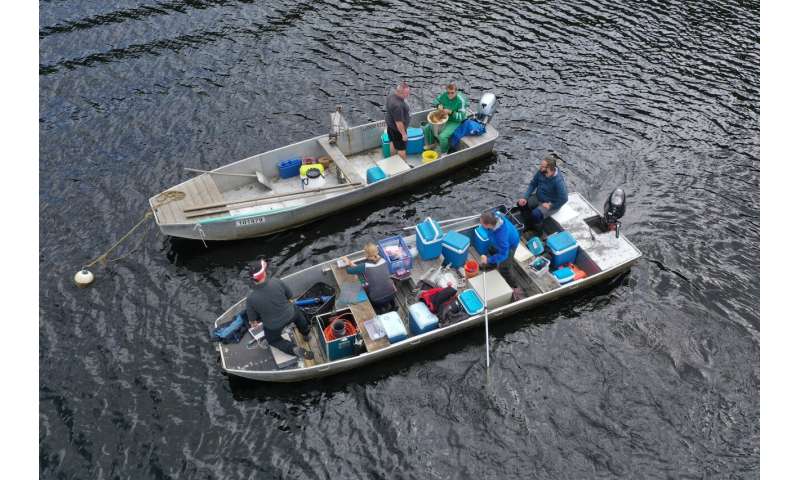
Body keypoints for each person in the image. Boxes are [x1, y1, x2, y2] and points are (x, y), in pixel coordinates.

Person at [245, 257, 314, 359]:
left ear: (253, 279)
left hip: (273, 326)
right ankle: (306, 334)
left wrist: (255, 322)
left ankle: (293, 349)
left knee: (273, 340)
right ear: (264, 273)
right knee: (298, 314)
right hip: (291, 314)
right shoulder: (276, 281)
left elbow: (253, 321)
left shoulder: (250, 298)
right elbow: (290, 296)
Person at [340, 243, 397, 314]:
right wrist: (352, 264)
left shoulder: (364, 266)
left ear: (366, 255)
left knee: (360, 275)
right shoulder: (384, 260)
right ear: (377, 251)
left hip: (376, 300)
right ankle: (390, 305)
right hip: (392, 295)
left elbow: (349, 270)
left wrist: (347, 261)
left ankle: (377, 309)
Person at [517, 153, 569, 231]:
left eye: (542, 166)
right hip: (539, 197)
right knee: (520, 204)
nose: (540, 167)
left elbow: (564, 198)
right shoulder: (541, 172)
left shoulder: (558, 182)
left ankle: (537, 228)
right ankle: (527, 220)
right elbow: (533, 184)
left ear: (549, 168)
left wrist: (551, 205)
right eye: (541, 165)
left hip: (549, 203)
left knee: (536, 214)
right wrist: (525, 197)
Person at [478, 211, 521, 290]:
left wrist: (488, 259)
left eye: (481, 223)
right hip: (496, 240)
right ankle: (492, 264)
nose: (480, 224)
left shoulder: (501, 237)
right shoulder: (496, 215)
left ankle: (514, 285)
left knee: (505, 267)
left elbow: (504, 254)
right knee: (492, 250)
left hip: (510, 245)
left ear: (488, 225)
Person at [427, 82, 468, 154]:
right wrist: (438, 105)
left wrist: (451, 112)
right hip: (445, 118)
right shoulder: (444, 95)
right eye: (448, 92)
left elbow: (461, 117)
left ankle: (444, 152)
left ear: (456, 92)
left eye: (452, 93)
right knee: (429, 127)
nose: (450, 95)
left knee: (442, 136)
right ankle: (435, 143)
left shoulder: (461, 101)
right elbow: (435, 100)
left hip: (455, 121)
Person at [384, 81, 411, 160]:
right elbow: (399, 122)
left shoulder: (391, 95)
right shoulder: (398, 106)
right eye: (407, 93)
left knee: (392, 142)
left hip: (390, 126)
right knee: (401, 149)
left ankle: (393, 160)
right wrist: (403, 134)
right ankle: (404, 166)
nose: (408, 95)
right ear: (401, 93)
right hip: (398, 130)